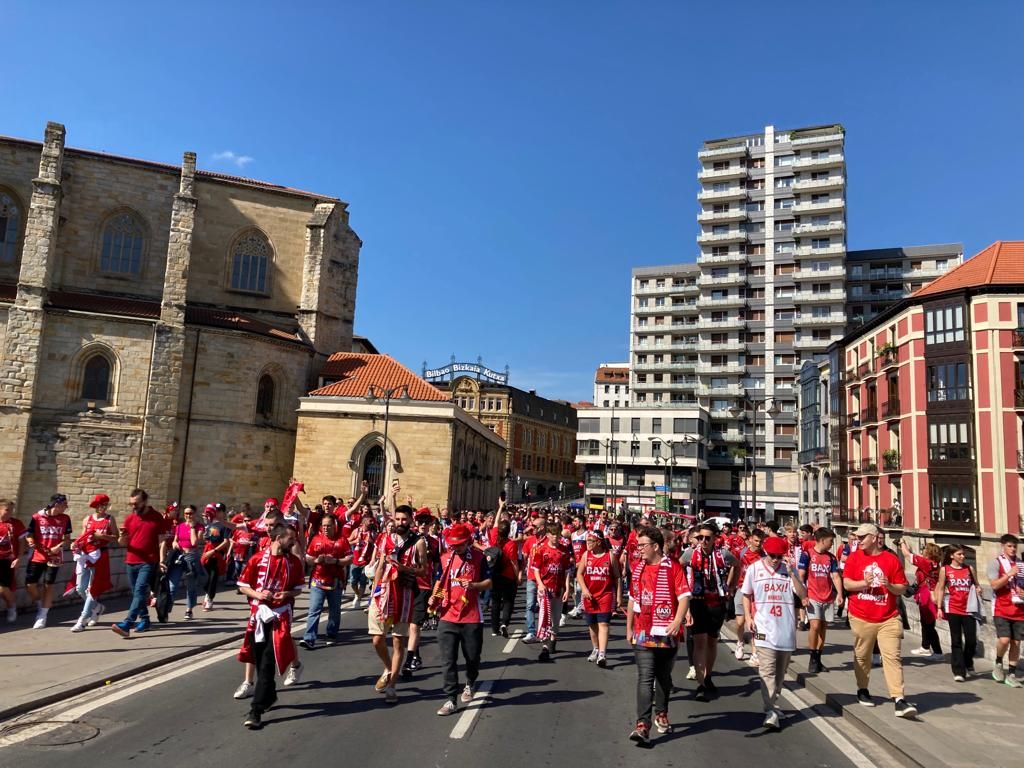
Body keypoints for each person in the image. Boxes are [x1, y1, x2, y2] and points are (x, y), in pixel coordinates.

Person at [842, 522, 917, 717]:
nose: (858, 540)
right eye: (857, 537)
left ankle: (899, 699)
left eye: (862, 537)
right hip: (861, 615)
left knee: (892, 657)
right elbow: (847, 584)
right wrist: (863, 583)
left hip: (888, 617)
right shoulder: (854, 558)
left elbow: (902, 587)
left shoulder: (890, 560)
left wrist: (890, 586)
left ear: (874, 538)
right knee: (862, 656)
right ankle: (862, 689)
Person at [626, 527, 691, 746]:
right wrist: (629, 627)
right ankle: (642, 725)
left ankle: (661, 712)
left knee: (663, 678)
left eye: (642, 545)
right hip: (643, 630)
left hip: (666, 632)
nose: (639, 549)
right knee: (645, 677)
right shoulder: (638, 569)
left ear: (655, 546)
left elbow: (683, 596)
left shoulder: (673, 567)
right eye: (637, 545)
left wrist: (677, 621)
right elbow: (633, 600)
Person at [237, 524, 305, 730]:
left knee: (267, 661)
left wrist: (287, 594)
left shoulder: (293, 562)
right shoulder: (257, 559)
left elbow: (297, 589)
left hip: (279, 617)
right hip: (258, 615)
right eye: (290, 539)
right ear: (278, 538)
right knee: (258, 658)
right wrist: (258, 595)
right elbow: (242, 585)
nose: (294, 543)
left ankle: (255, 710)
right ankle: (269, 696)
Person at [743, 535, 807, 730]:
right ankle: (770, 709)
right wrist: (748, 617)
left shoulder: (789, 571)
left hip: (785, 629)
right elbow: (746, 594)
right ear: (765, 552)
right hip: (763, 628)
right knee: (767, 671)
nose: (775, 559)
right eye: (772, 555)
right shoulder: (754, 569)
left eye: (779, 556)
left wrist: (792, 574)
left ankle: (773, 701)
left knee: (780, 673)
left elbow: (803, 595)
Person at [367, 505, 428, 704]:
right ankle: (388, 667)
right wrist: (373, 592)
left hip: (405, 594)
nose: (401, 523)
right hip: (383, 593)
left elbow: (423, 570)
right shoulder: (386, 539)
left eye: (404, 519)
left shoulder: (418, 542)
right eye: (398, 519)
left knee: (397, 642)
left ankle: (392, 685)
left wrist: (406, 569)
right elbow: (381, 565)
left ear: (411, 520)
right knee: (377, 639)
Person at [433, 523, 492, 716]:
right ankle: (450, 699)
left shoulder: (479, 558)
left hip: (471, 616)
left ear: (467, 542)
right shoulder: (444, 558)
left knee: (472, 657)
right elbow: (440, 581)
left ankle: (470, 681)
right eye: (452, 544)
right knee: (448, 660)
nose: (455, 548)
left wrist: (474, 584)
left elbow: (488, 582)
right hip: (448, 615)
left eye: (459, 544)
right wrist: (435, 598)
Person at [682, 521, 737, 700]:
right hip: (697, 602)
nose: (703, 541)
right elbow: (678, 568)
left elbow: (738, 565)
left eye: (707, 538)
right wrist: (683, 594)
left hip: (716, 603)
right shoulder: (690, 553)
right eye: (700, 538)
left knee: (712, 642)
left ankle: (708, 675)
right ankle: (701, 683)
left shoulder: (722, 554)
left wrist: (731, 586)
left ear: (714, 539)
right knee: (699, 642)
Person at [112, 489, 170, 638]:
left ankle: (128, 623)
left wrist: (162, 560)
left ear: (144, 501)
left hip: (148, 561)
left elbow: (162, 540)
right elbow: (121, 542)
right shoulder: (130, 518)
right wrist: (122, 537)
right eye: (131, 504)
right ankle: (145, 620)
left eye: (136, 503)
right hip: (131, 560)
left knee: (139, 591)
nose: (134, 506)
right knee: (137, 594)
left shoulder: (156, 517)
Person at [301, 514, 352, 649]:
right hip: (317, 581)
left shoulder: (342, 540)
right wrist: (316, 560)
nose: (325, 528)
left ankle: (331, 634)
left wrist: (336, 561)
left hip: (335, 582)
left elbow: (349, 558)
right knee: (314, 609)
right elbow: (308, 557)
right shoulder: (316, 539)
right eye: (323, 525)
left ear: (334, 526)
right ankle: (309, 638)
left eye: (328, 525)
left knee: (334, 610)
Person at [798, 527, 843, 673]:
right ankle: (812, 657)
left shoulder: (831, 558)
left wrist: (840, 594)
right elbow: (801, 576)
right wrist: (803, 595)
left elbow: (835, 576)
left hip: (827, 596)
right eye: (830, 541)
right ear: (822, 540)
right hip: (812, 595)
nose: (831, 544)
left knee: (823, 628)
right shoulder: (807, 555)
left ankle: (818, 658)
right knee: (815, 625)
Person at [71, 494, 118, 632]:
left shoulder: (110, 519)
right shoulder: (88, 519)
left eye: (105, 505)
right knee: (80, 588)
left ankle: (82, 620)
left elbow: (116, 538)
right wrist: (75, 544)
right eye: (101, 505)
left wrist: (102, 536)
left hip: (100, 555)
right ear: (96, 506)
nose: (103, 508)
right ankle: (97, 607)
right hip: (86, 554)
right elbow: (83, 536)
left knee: (93, 588)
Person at [25, 494, 73, 628]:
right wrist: (30, 542)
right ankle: (40, 604)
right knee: (30, 585)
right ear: (56, 505)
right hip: (38, 555)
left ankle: (43, 615)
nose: (66, 508)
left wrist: (59, 547)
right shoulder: (37, 517)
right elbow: (29, 535)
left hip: (55, 556)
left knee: (49, 585)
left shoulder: (65, 518)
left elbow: (67, 538)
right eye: (64, 505)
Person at [933, 544, 980, 682]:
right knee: (956, 640)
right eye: (959, 554)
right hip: (953, 608)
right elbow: (941, 588)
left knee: (971, 640)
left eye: (963, 554)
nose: (963, 557)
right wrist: (939, 607)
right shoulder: (945, 570)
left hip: (969, 609)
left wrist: (978, 589)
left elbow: (977, 585)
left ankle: (968, 662)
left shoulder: (969, 569)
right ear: (951, 556)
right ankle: (959, 670)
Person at [403, 508, 439, 676]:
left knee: (414, 625)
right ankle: (415, 654)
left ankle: (411, 658)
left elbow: (439, 569)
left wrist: (437, 592)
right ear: (415, 523)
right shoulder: (408, 540)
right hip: (406, 585)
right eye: (421, 521)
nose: (424, 525)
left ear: (431, 523)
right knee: (406, 627)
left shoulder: (434, 542)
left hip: (424, 587)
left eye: (427, 521)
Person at [577, 529, 622, 666]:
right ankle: (595, 648)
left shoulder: (610, 556)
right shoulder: (586, 555)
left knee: (603, 623)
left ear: (598, 542)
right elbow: (579, 574)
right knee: (592, 625)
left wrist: (618, 595)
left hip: (605, 595)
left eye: (590, 541)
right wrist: (584, 590)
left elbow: (617, 577)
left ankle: (602, 654)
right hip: (590, 596)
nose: (588, 543)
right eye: (587, 541)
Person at [987, 533, 1024, 687]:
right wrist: (1008, 574)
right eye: (1009, 546)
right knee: (1004, 639)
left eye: (1015, 546)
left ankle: (1012, 674)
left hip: (1019, 608)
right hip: (1001, 607)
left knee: (1016, 642)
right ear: (1003, 547)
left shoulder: (1021, 564)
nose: (1013, 549)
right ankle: (998, 662)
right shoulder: (995, 563)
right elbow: (994, 585)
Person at [531, 521, 572, 661]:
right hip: (545, 589)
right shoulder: (541, 549)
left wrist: (567, 588)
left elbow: (567, 571)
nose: (556, 537)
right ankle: (545, 646)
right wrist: (540, 584)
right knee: (544, 616)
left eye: (558, 534)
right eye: (553, 534)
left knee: (555, 617)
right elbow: (535, 570)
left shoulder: (564, 550)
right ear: (548, 535)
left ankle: (553, 639)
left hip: (558, 588)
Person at [901, 540, 943, 658]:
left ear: (929, 553)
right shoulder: (935, 564)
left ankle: (934, 650)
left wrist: (902, 543)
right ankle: (927, 647)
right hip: (932, 594)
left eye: (925, 548)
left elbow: (907, 555)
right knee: (928, 623)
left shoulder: (926, 562)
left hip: (926, 594)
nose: (923, 550)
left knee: (927, 624)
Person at [166, 505, 206, 620]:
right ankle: (166, 609)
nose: (188, 515)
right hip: (180, 556)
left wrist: (192, 527)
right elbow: (174, 541)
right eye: (186, 514)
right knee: (172, 585)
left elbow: (194, 542)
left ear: (195, 514)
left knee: (191, 586)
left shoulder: (199, 527)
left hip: (192, 556)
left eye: (190, 513)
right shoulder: (179, 527)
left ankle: (189, 609)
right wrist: (175, 544)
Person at [733, 529, 764, 663]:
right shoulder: (742, 552)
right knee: (740, 622)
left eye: (761, 541)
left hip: (757, 592)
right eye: (756, 540)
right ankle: (740, 642)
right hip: (741, 589)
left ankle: (755, 652)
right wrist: (730, 585)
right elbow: (735, 568)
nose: (758, 544)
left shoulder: (764, 555)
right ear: (750, 539)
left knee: (755, 623)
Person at [488, 519, 520, 638]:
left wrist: (500, 507)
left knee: (495, 602)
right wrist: (517, 577)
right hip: (508, 576)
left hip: (495, 575)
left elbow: (495, 524)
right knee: (508, 601)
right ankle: (504, 623)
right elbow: (514, 563)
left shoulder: (494, 539)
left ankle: (494, 629)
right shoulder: (511, 544)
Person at [0, 499, 27, 622]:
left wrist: (19, 558)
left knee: (2, 588)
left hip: (7, 559)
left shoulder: (16, 524)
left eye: (12, 510)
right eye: (7, 510)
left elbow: (22, 542)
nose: (10, 512)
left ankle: (12, 606)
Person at [520, 519, 546, 643]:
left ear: (542, 527)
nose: (532, 528)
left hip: (545, 579)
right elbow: (524, 558)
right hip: (531, 577)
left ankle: (544, 631)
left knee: (544, 606)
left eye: (534, 526)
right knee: (530, 605)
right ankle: (531, 632)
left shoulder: (548, 541)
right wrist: (520, 573)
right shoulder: (530, 540)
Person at [201, 504, 231, 610]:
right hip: (207, 551)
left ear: (223, 512)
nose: (217, 513)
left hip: (217, 553)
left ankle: (210, 598)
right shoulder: (210, 524)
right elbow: (206, 538)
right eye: (216, 510)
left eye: (219, 511)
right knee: (205, 577)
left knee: (213, 576)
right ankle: (207, 592)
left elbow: (226, 542)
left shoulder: (225, 525)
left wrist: (214, 551)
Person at [347, 512, 377, 610]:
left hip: (366, 561)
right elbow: (347, 541)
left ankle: (359, 599)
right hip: (355, 560)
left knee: (363, 582)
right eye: (370, 521)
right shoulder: (356, 531)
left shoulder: (372, 533)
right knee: (353, 582)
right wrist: (355, 541)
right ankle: (357, 594)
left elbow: (377, 546)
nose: (372, 522)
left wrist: (371, 541)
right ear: (364, 522)